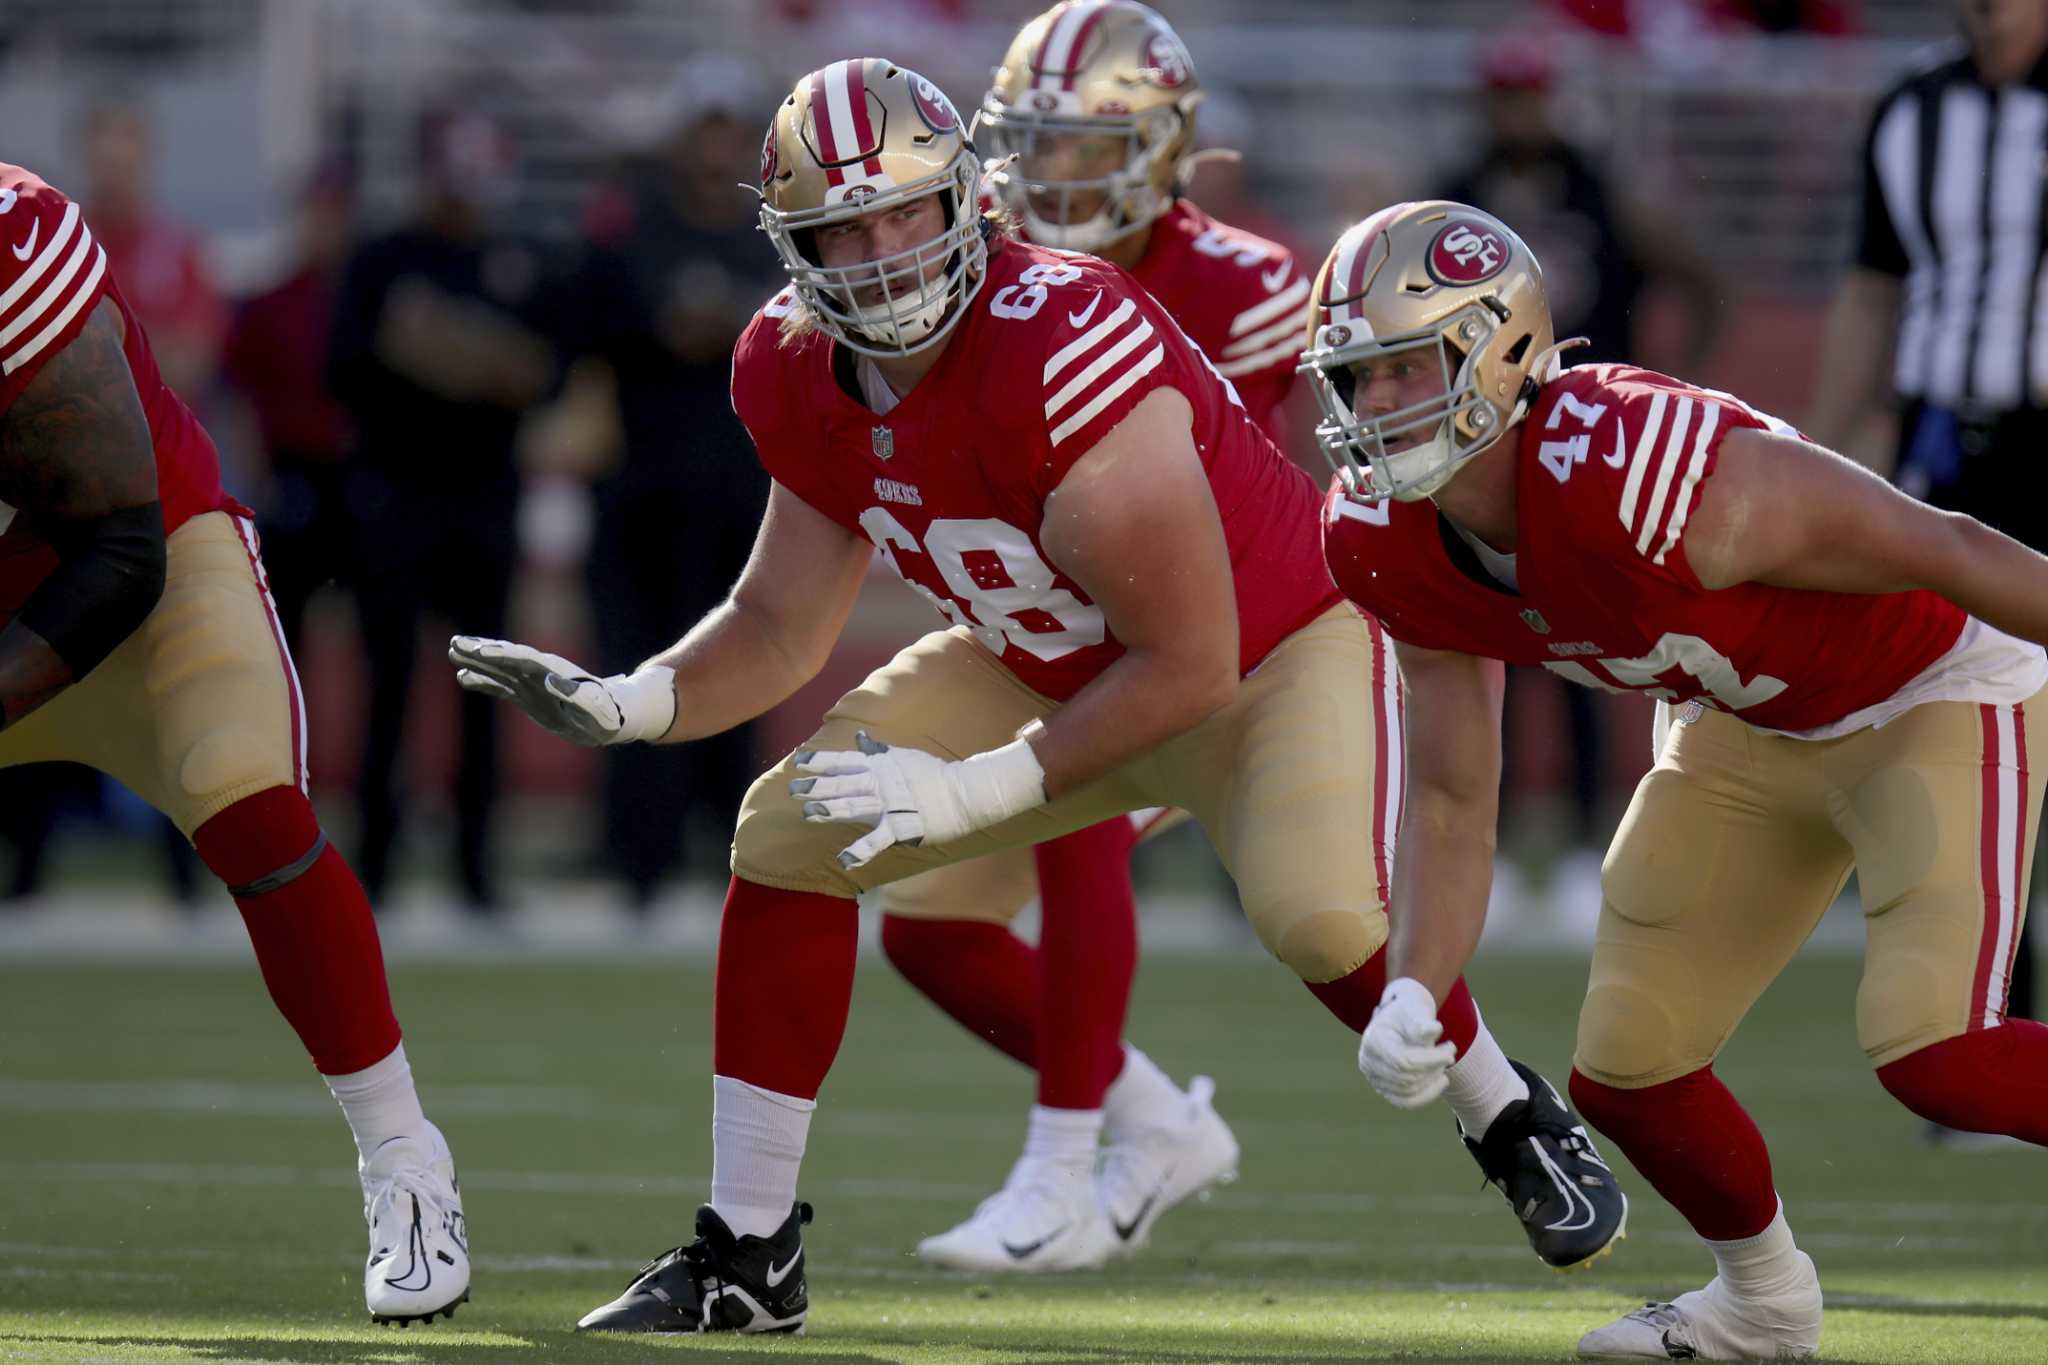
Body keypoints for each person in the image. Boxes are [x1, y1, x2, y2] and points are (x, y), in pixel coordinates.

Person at [449, 61, 1624, 1336]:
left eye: (906, 212)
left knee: (1318, 916)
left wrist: (971, 786)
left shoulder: (1065, 334)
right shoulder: (789, 366)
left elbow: (1186, 661)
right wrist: (635, 702)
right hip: (1039, 656)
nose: (884, 253)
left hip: (1265, 652)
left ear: (967, 200)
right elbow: (780, 620)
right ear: (795, 245)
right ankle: (746, 1256)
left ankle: (1508, 1116)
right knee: (787, 837)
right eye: (846, 227)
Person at [1310, 200, 2048, 1361]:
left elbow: (1942, 545)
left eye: (1408, 367)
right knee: (1626, 1068)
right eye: (1358, 378)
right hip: (1744, 722)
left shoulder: (1637, 472)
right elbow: (1452, 791)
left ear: (1498, 351)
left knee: (1939, 1056)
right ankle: (1760, 1306)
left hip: (1927, 688)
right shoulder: (1377, 537)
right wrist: (1415, 984)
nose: (1378, 407)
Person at [875, 0, 1319, 1273]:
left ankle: (1060, 1170)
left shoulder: (1243, 282)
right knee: (927, 934)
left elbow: (1244, 504)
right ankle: (1157, 1124)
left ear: (1163, 143)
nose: (1051, 172)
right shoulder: (980, 257)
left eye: (1082, 143)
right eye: (1032, 142)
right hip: (1041, 629)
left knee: (1074, 822)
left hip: (1207, 636)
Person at [0, 162, 468, 1324]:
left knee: (244, 794)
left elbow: (117, 546)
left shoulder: (14, 240)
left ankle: (404, 1160)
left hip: (136, 563)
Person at [1805, 0, 2047, 1132]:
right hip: (1943, 453)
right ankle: (1976, 1023)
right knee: (1950, 728)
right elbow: (1868, 289)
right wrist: (1811, 455)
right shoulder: (1912, 107)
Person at [563, 59, 779, 909]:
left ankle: (731, 850)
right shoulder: (630, 235)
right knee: (636, 671)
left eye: (727, 131)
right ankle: (637, 860)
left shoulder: (770, 239)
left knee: (743, 669)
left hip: (738, 494)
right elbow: (585, 344)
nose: (713, 148)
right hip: (642, 492)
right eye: (704, 130)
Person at [328, 109, 555, 913]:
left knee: (487, 685)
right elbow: (342, 364)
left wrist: (471, 358)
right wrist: (427, 356)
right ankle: (377, 866)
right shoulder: (387, 255)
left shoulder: (518, 261)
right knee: (387, 682)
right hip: (396, 493)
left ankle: (476, 866)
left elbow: (548, 373)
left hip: (484, 497)